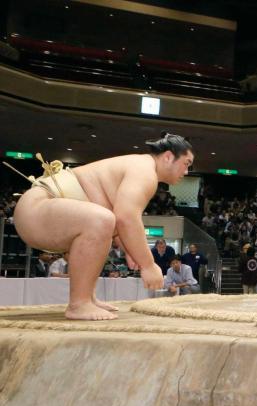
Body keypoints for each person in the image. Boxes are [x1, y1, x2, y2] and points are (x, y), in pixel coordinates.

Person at [9, 133, 193, 320]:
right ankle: (79, 303)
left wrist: (131, 249)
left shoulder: (141, 166)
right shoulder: (145, 171)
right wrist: (148, 264)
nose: (186, 172)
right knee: (101, 220)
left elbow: (118, 218)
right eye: (186, 163)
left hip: (48, 213)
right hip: (37, 208)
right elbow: (126, 217)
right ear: (168, 157)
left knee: (104, 222)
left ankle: (87, 297)